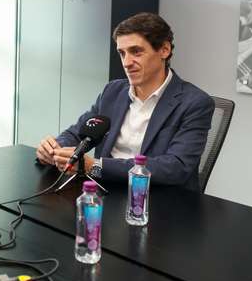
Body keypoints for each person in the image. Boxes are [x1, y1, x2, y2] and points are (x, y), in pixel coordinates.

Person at [36, 13, 214, 192]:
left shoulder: (195, 103)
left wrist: (95, 166)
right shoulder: (113, 91)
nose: (127, 62)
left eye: (136, 52)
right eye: (122, 53)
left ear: (164, 50)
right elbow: (78, 133)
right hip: (104, 191)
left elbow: (176, 167)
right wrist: (54, 149)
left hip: (158, 199)